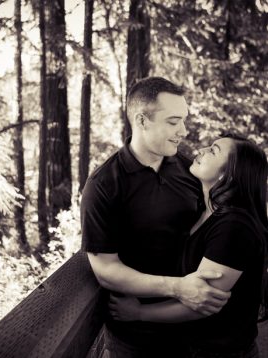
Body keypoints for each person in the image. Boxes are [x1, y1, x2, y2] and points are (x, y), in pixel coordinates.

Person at [81, 77, 231, 358]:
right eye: (173, 122)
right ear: (142, 120)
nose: (183, 131)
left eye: (184, 120)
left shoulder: (192, 170)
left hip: (194, 329)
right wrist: (178, 288)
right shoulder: (103, 185)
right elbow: (106, 271)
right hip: (135, 337)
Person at [109, 134, 268, 358]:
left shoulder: (234, 227)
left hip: (222, 352)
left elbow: (199, 303)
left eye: (213, 150)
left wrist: (138, 312)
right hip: (194, 347)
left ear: (231, 173)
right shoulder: (205, 211)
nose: (202, 150)